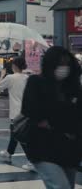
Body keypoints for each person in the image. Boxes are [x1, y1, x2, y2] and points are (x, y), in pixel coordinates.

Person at [21, 46, 82, 189]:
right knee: (61, 186)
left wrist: (52, 120)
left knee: (67, 185)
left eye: (67, 64)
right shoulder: (36, 82)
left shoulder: (73, 87)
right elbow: (31, 110)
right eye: (60, 64)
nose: (64, 68)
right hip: (43, 147)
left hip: (70, 148)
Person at [0, 57, 34, 171]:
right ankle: (8, 153)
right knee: (15, 133)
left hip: (15, 112)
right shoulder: (27, 78)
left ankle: (31, 160)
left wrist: (2, 75)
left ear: (15, 66)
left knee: (19, 135)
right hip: (26, 111)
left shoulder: (10, 77)